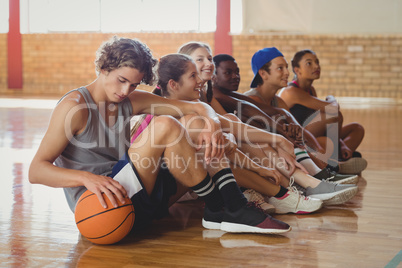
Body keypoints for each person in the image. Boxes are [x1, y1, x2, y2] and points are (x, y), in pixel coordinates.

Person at [28, 36, 291, 234]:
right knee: (165, 125)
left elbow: (197, 107)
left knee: (193, 123)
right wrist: (86, 179)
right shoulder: (74, 108)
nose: (125, 90)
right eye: (121, 80)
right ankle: (226, 206)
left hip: (136, 191)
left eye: (133, 84)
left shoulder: (130, 99)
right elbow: (36, 171)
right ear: (102, 68)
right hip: (99, 206)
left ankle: (226, 207)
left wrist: (210, 123)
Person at [177, 43, 359, 206]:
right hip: (197, 170)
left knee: (255, 137)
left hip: (225, 156)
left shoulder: (206, 92)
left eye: (209, 58)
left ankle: (301, 186)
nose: (208, 63)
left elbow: (238, 123)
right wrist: (280, 138)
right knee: (252, 139)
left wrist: (281, 136)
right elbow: (245, 114)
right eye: (200, 59)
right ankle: (306, 182)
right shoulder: (212, 94)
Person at [152, 53, 325, 214]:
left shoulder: (193, 104)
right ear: (173, 85)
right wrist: (259, 166)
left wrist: (278, 140)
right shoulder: (169, 115)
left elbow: (232, 125)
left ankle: (288, 189)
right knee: (216, 148)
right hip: (174, 188)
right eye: (193, 76)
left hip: (203, 173)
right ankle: (283, 192)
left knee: (228, 128)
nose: (200, 80)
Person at [211, 53, 358, 185]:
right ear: (263, 73)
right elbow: (249, 112)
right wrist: (283, 131)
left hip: (278, 140)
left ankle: (323, 170)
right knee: (286, 138)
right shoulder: (222, 96)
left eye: (237, 72)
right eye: (280, 68)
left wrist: (289, 126)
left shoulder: (236, 95)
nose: (288, 73)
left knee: (354, 129)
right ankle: (317, 175)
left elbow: (281, 112)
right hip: (246, 146)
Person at [278, 49, 367, 174]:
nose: (316, 66)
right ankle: (336, 161)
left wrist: (342, 144)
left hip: (313, 137)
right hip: (298, 140)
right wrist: (331, 98)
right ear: (297, 70)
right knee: (332, 116)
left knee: (357, 129)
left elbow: (328, 126)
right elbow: (333, 109)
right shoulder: (291, 91)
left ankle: (340, 156)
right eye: (309, 63)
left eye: (317, 62)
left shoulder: (311, 90)